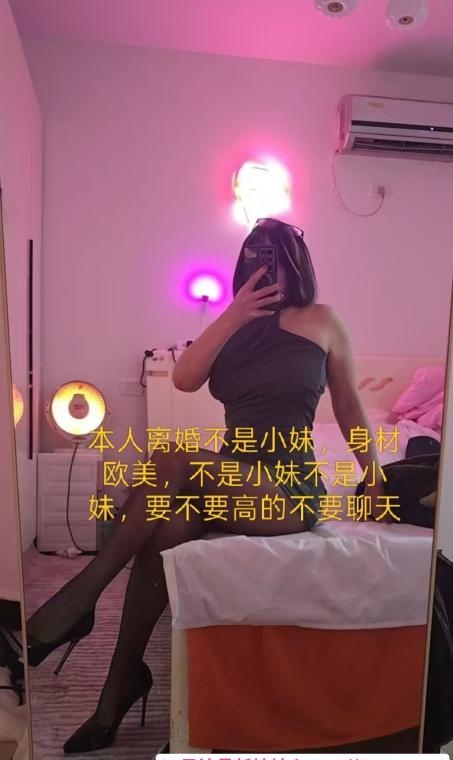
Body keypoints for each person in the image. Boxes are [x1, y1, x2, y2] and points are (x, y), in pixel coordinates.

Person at [25, 217, 386, 754]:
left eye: (275, 253)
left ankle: (80, 598)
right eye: (254, 254)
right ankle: (119, 686)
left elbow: (349, 406)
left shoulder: (323, 320)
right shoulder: (234, 326)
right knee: (165, 532)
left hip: (286, 487)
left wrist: (374, 476)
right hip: (231, 477)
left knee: (172, 457)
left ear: (296, 261)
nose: (265, 264)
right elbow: (184, 377)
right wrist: (234, 312)